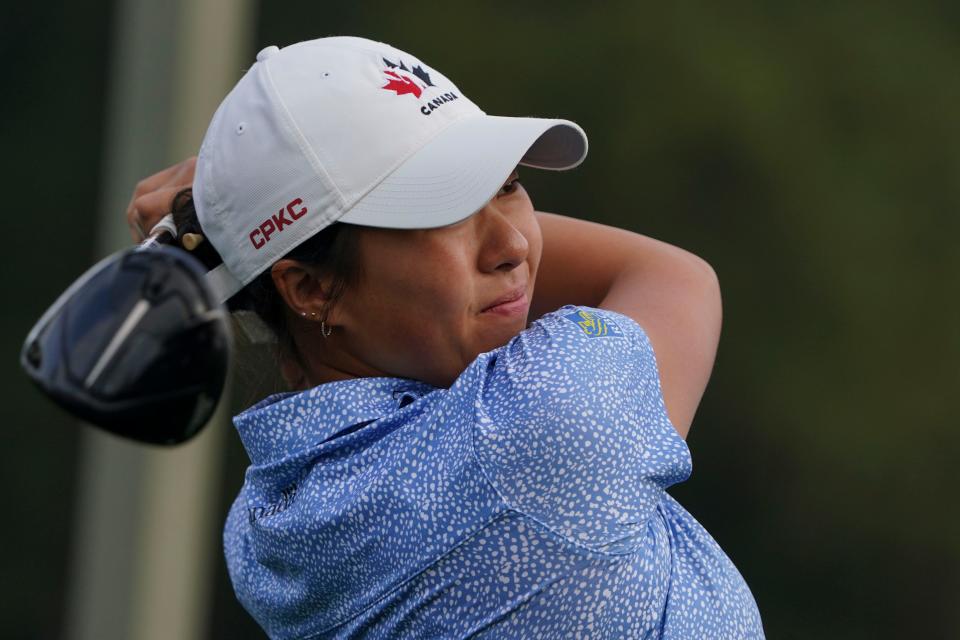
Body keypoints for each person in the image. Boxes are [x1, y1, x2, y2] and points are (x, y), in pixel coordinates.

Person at [127, 36, 764, 639]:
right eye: (442, 210)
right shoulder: (538, 426)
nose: (514, 245)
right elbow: (672, 276)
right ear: (310, 289)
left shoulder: (265, 525)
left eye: (508, 184)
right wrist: (239, 217)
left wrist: (246, 218)